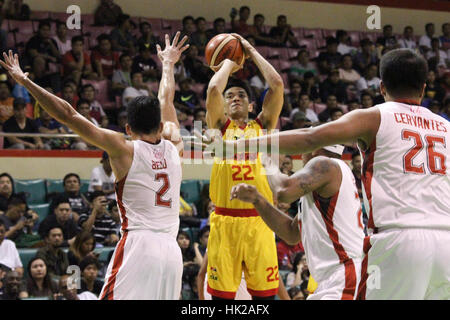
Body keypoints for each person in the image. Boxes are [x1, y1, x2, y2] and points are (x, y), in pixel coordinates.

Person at [217, 48, 450, 299]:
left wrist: (238, 144)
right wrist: (258, 199)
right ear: (424, 89)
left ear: (382, 88)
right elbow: (293, 232)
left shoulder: (372, 120)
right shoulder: (446, 127)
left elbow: (308, 139)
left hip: (398, 241)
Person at [1, 32, 190, 299]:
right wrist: (168, 64)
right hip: (172, 252)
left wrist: (24, 81)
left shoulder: (122, 147)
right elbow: (167, 99)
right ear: (160, 125)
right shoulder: (174, 145)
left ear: (127, 127)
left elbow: (69, 114)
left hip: (140, 246)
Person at [204, 32, 283, 300]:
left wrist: (249, 49)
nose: (234, 98)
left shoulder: (263, 126)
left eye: (240, 95)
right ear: (224, 106)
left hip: (260, 221)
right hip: (225, 222)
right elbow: (214, 89)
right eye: (230, 97)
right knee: (221, 299)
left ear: (251, 104)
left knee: (264, 298)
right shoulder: (218, 128)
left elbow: (277, 85)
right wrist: (230, 61)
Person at [230, 143, 365, 299]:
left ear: (316, 149)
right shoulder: (326, 181)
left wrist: (264, 156)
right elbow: (291, 233)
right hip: (334, 276)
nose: (300, 155)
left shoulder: (326, 165)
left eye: (304, 148)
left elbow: (283, 190)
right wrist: (258, 200)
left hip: (344, 274)